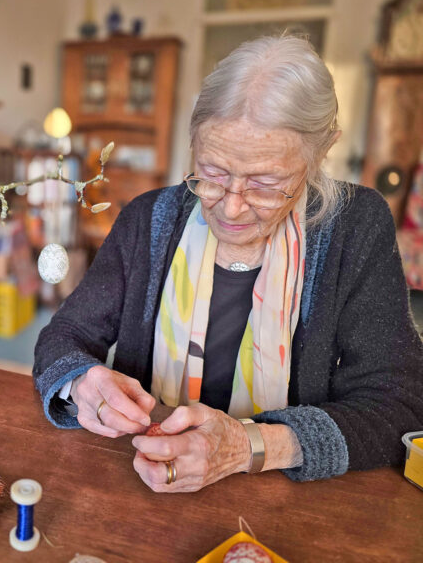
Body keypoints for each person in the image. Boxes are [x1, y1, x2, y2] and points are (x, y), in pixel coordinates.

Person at [32, 35, 423, 492]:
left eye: (266, 183)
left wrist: (248, 446)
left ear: (321, 153)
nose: (231, 208)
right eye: (212, 173)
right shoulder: (148, 218)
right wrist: (81, 383)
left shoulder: (355, 226)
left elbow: (399, 401)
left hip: (286, 499)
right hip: (144, 476)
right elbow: (63, 337)